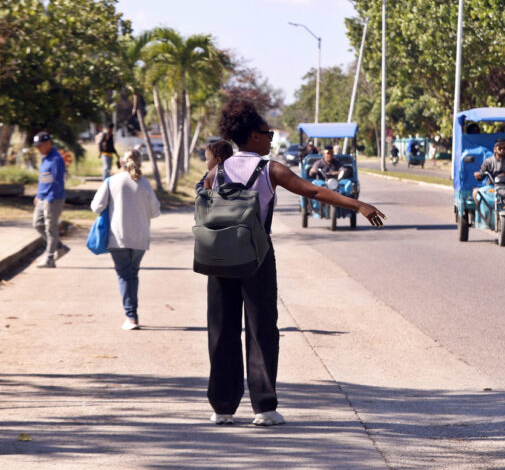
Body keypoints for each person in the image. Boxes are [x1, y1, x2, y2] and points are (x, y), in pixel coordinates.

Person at [201, 97, 385, 426]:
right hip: (256, 257)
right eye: (266, 131)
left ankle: (222, 408)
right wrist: (357, 205)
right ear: (253, 136)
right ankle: (264, 408)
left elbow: (203, 206)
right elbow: (313, 192)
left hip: (219, 256)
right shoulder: (270, 169)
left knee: (222, 329)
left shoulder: (217, 171)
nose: (271, 136)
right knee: (260, 330)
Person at [90, 149, 161, 331]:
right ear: (140, 162)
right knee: (133, 274)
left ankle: (131, 317)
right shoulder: (145, 184)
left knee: (124, 275)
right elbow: (155, 212)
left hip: (118, 236)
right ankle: (132, 314)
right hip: (140, 237)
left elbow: (96, 206)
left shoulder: (112, 181)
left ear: (121, 162)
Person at [32, 132, 70, 268]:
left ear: (48, 143)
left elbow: (57, 182)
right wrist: (38, 195)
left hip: (52, 199)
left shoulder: (56, 159)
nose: (38, 149)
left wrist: (49, 198)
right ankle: (59, 247)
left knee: (50, 229)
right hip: (42, 197)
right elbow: (44, 179)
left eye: (40, 146)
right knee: (38, 224)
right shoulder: (45, 157)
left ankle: (49, 258)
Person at [472, 138, 505, 203]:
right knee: (475, 192)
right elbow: (481, 175)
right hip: (491, 188)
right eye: (500, 148)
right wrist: (478, 175)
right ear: (494, 149)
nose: (502, 150)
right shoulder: (488, 162)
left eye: (504, 148)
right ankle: (481, 212)